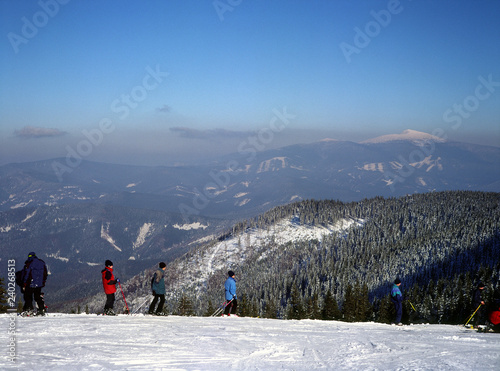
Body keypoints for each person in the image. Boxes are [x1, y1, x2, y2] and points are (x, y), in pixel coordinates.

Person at [22, 252, 48, 316]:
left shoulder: (30, 264)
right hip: (39, 284)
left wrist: (24, 282)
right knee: (37, 296)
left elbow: (27, 273)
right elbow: (45, 273)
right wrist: (43, 281)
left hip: (30, 283)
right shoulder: (42, 262)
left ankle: (29, 310)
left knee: (28, 296)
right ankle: (41, 309)